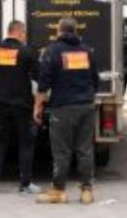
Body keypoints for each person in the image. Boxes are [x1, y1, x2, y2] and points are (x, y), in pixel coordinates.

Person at [33, 17, 100, 205]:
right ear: (75, 31)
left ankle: (58, 191)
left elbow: (43, 83)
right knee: (85, 150)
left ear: (59, 31)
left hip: (62, 108)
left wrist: (38, 106)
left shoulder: (52, 51)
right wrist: (86, 97)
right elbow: (95, 81)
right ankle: (87, 192)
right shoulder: (87, 52)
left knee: (62, 151)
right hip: (86, 106)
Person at [0, 20, 40, 194]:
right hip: (22, 105)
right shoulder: (27, 52)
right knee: (26, 143)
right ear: (20, 33)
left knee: (0, 141)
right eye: (24, 34)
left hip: (1, 103)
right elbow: (38, 75)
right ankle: (25, 184)